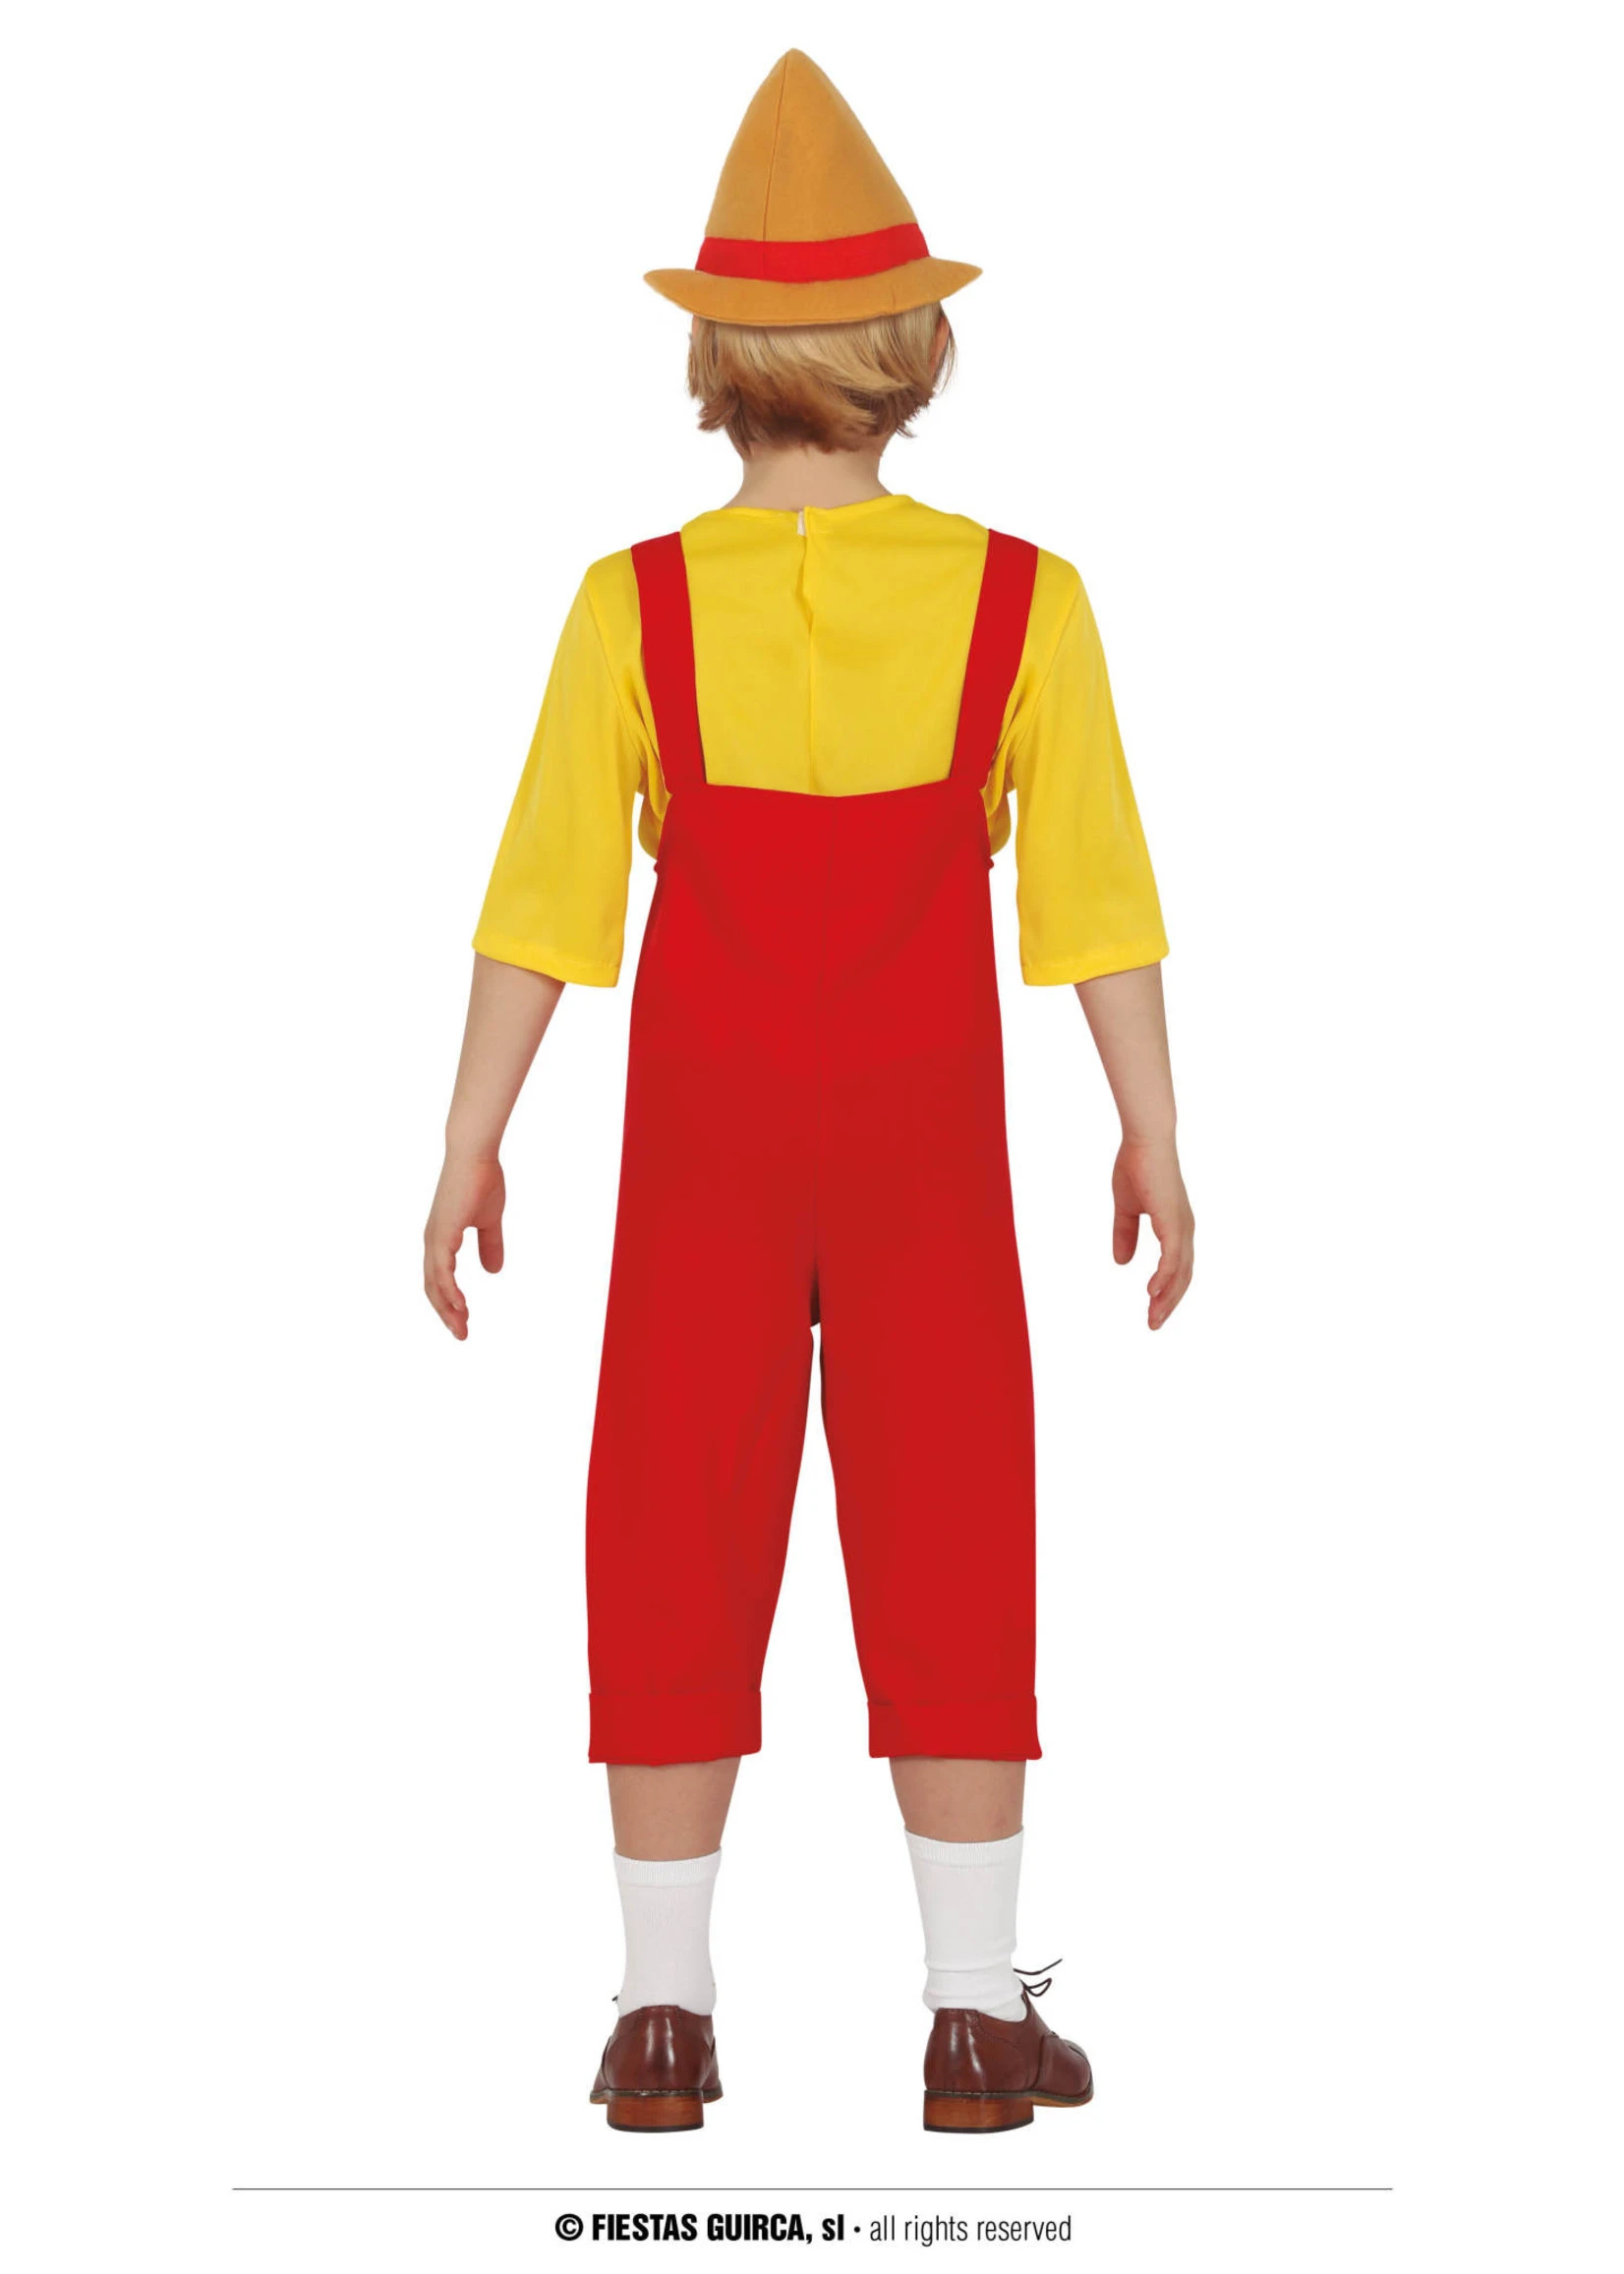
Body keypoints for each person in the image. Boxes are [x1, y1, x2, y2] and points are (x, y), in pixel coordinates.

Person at [423, 50, 1193, 2134]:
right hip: (927, 1138)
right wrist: (1152, 1129)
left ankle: (661, 2020)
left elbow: (544, 904)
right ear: (907, 346)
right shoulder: (1026, 599)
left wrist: (470, 1139)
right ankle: (974, 2017)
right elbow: (1098, 900)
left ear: (720, 353)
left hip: (707, 1140)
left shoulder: (630, 604)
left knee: (669, 1507)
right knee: (956, 1507)